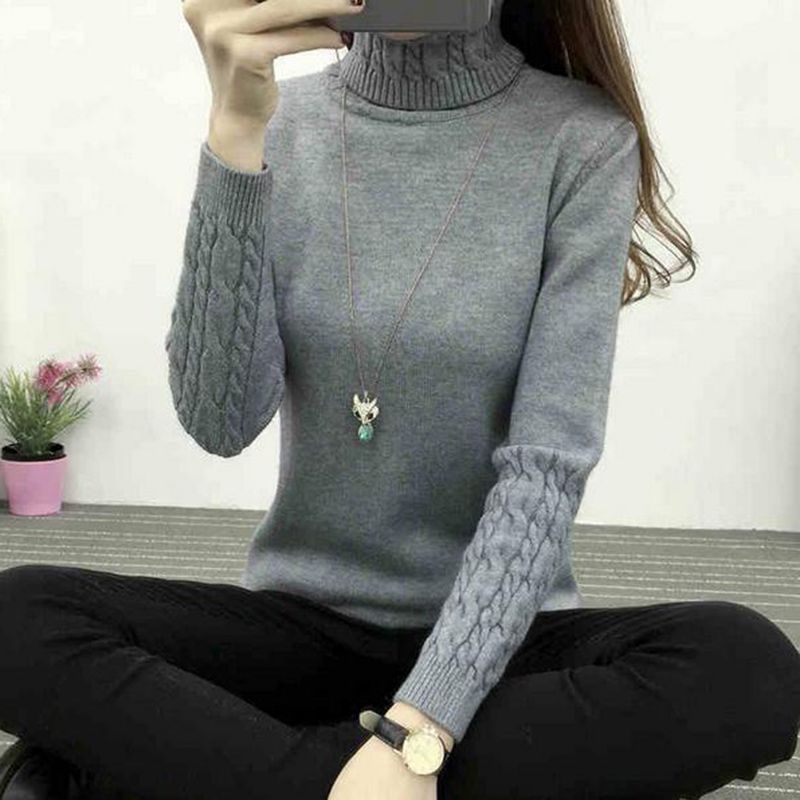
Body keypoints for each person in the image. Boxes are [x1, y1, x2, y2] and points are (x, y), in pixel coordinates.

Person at [1, 0, 799, 798]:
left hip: (500, 646)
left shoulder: (582, 141)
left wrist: (418, 730)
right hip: (305, 630)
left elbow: (544, 475)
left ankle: (243, 771)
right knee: (16, 615)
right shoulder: (282, 123)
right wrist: (235, 136)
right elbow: (219, 422)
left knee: (747, 669)